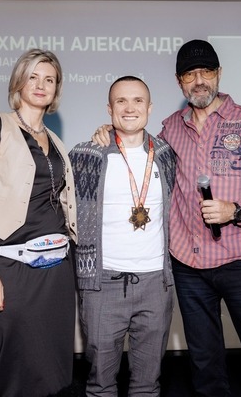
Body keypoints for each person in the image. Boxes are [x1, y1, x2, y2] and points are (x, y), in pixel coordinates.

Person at [93, 40, 241, 396]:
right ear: (179, 81)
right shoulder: (170, 129)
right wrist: (110, 132)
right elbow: (135, 145)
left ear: (219, 74)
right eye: (190, 74)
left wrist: (236, 209)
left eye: (206, 71)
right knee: (205, 368)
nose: (199, 80)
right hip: (189, 268)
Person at [0, 48, 78, 397]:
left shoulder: (55, 140)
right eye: (33, 77)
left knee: (54, 365)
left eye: (49, 79)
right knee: (18, 364)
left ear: (56, 89)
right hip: (11, 268)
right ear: (19, 82)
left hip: (56, 268)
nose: (41, 85)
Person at [69, 76, 177, 396]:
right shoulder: (85, 155)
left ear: (150, 107)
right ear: (109, 108)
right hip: (102, 283)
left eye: (138, 100)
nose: (130, 108)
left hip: (156, 282)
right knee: (100, 384)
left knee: (147, 384)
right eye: (121, 101)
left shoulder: (167, 155)